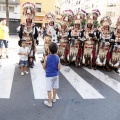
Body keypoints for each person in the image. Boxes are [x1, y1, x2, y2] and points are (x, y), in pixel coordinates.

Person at [43, 42, 60, 108]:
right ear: (56, 50)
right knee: (54, 87)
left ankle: (49, 102)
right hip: (56, 75)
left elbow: (44, 66)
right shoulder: (57, 57)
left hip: (49, 75)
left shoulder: (46, 57)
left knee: (49, 89)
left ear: (49, 50)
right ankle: (54, 98)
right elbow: (59, 68)